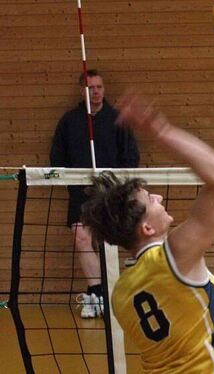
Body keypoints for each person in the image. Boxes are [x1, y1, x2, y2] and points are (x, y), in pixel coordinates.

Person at [80, 91, 214, 373]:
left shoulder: (121, 292)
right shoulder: (172, 258)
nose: (158, 197)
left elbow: (189, 350)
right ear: (146, 228)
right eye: (150, 199)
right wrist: (159, 130)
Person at [50, 69, 140, 318]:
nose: (96, 91)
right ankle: (97, 293)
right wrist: (73, 181)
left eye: (99, 87)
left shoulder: (117, 119)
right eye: (91, 88)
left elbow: (131, 157)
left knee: (107, 243)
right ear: (83, 90)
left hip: (111, 194)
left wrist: (119, 185)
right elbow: (57, 157)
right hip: (81, 194)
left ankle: (112, 295)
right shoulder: (70, 121)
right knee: (81, 238)